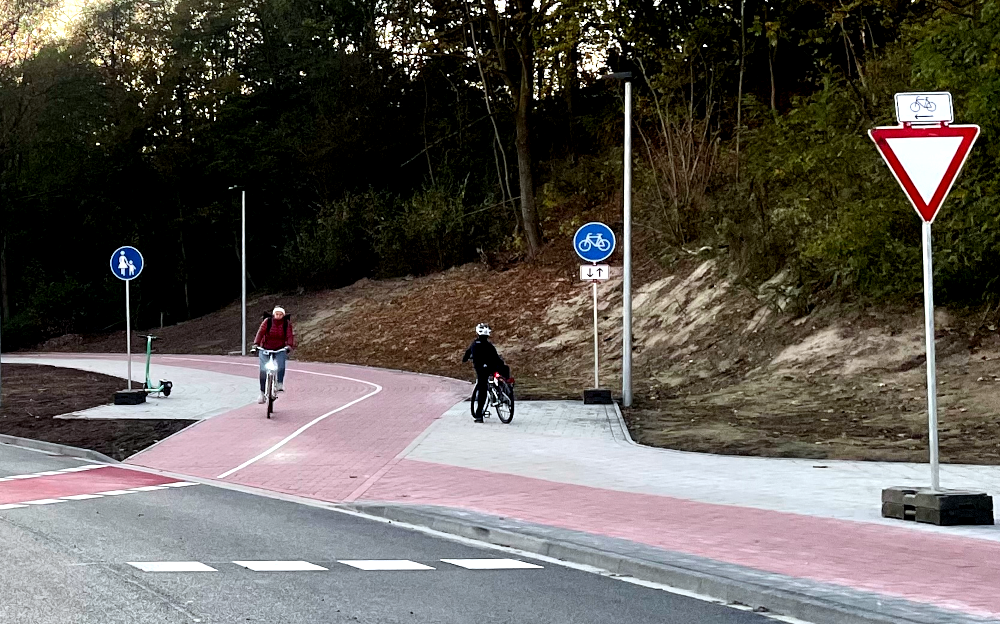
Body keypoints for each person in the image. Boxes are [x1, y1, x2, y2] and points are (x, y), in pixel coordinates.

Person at [462, 323, 508, 423]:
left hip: (482, 369)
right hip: (494, 366)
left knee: (482, 390)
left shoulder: (474, 345)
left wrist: (465, 359)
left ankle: (479, 415)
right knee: (503, 372)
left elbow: (467, 354)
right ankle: (505, 390)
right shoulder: (489, 345)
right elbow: (496, 357)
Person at [253, 306, 295, 403]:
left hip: (279, 349)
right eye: (277, 314)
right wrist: (256, 344)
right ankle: (262, 393)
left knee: (281, 365)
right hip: (265, 348)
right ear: (273, 314)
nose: (278, 316)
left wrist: (289, 346)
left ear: (283, 316)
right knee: (263, 370)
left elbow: (289, 336)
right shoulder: (267, 322)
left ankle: (279, 383)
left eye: (281, 315)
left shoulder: (286, 324)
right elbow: (260, 333)